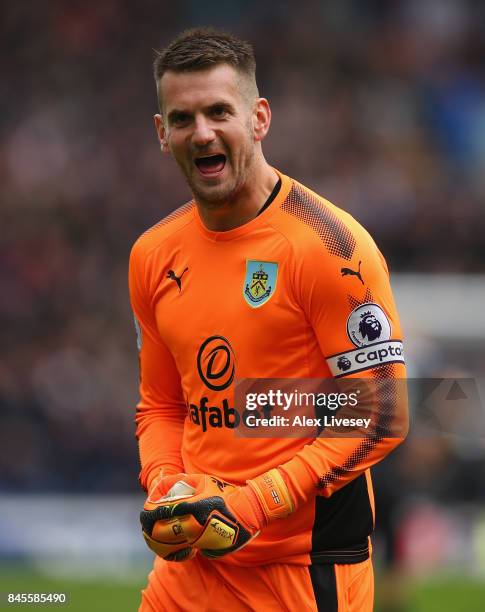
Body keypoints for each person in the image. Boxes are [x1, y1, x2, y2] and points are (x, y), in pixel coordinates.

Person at [129, 27, 407, 611]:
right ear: (162, 135)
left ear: (258, 118)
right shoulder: (152, 256)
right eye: (182, 119)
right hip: (192, 568)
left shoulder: (329, 249)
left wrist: (253, 504)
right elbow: (162, 404)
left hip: (300, 571)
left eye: (219, 112)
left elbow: (381, 411)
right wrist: (164, 486)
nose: (201, 132)